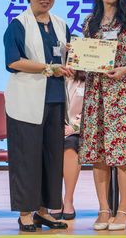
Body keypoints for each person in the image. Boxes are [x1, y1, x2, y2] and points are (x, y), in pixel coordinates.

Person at [4, 0, 73, 232]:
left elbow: (68, 59)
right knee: (27, 159)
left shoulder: (60, 24)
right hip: (25, 103)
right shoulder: (18, 25)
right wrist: (48, 68)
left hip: (55, 100)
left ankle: (44, 212)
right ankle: (25, 213)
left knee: (52, 159)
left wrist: (74, 57)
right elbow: (13, 62)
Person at [79, 0, 126, 231]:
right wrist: (76, 57)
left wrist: (125, 69)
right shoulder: (90, 21)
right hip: (95, 92)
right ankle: (103, 209)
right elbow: (86, 55)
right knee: (98, 152)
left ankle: (123, 210)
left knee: (122, 153)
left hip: (119, 90)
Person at [50, 70, 86, 221]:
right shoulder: (51, 79)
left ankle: (68, 199)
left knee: (71, 145)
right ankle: (55, 199)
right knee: (50, 145)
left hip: (76, 131)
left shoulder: (86, 81)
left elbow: (90, 110)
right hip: (52, 128)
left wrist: (74, 127)